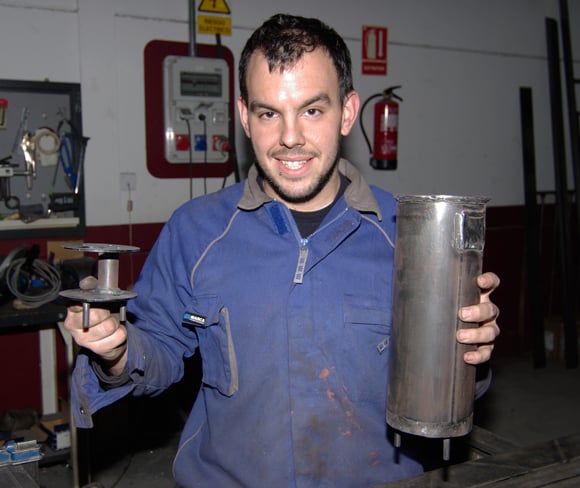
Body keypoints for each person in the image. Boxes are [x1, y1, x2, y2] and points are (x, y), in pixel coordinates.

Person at [64, 13, 501, 487]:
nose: (290, 137)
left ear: (348, 112)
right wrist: (117, 352)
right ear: (245, 116)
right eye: (269, 113)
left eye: (312, 110)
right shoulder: (196, 232)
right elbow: (162, 348)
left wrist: (468, 355)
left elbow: (449, 389)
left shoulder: (410, 237)